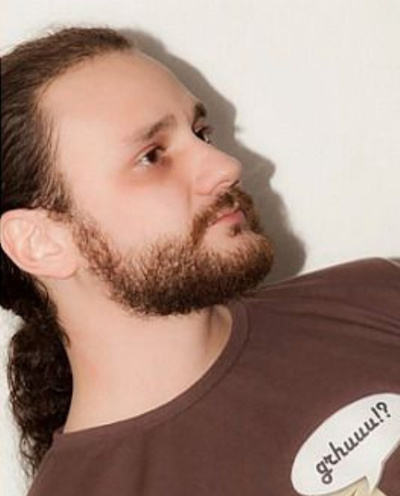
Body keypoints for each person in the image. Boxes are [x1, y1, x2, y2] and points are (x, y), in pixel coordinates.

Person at [1, 26, 399, 496]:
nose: (226, 166)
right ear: (41, 242)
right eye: (152, 156)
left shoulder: (374, 296)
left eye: (201, 133)